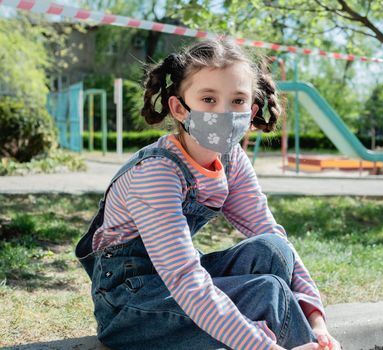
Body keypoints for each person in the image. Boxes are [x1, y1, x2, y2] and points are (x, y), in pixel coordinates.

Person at [75, 38, 341, 350]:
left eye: (238, 101)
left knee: (273, 250)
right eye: (209, 99)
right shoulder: (157, 173)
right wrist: (263, 348)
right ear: (179, 108)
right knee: (268, 293)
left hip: (176, 285)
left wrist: (317, 322)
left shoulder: (231, 159)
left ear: (252, 109)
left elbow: (274, 237)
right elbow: (185, 280)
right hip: (130, 306)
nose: (224, 112)